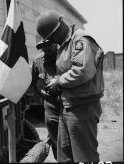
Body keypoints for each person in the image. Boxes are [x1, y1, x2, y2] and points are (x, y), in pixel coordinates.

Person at [36, 10, 104, 163]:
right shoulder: (64, 44)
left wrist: (58, 81)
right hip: (67, 106)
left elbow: (82, 71)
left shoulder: (80, 39)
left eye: (51, 37)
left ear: (58, 29)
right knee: (64, 156)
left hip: (82, 107)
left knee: (84, 157)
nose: (52, 41)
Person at [31, 39, 59, 160]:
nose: (46, 48)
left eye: (48, 45)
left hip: (69, 103)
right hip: (50, 104)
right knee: (55, 137)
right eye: (42, 46)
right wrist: (43, 94)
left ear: (55, 43)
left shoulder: (65, 56)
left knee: (72, 137)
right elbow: (33, 83)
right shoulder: (37, 61)